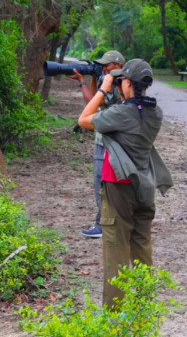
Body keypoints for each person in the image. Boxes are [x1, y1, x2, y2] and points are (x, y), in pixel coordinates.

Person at [77, 59, 173, 308]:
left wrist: (102, 88)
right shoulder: (156, 113)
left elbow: (84, 119)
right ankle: (143, 309)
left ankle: (114, 319)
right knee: (142, 249)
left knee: (116, 252)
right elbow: (133, 108)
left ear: (128, 83)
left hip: (118, 188)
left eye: (122, 82)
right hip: (145, 187)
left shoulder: (120, 113)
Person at [66, 51, 125, 238]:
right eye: (102, 65)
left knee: (101, 182)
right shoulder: (110, 81)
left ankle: (104, 225)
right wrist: (88, 80)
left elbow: (95, 105)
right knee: (106, 183)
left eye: (107, 65)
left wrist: (97, 82)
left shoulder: (117, 85)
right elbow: (93, 104)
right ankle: (106, 223)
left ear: (117, 65)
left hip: (108, 141)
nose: (104, 67)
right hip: (108, 140)